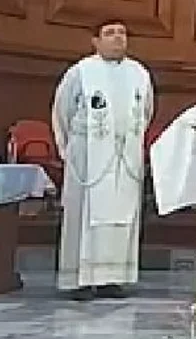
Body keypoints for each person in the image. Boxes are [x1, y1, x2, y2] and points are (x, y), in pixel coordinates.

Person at [51, 19, 155, 300]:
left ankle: (113, 277)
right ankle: (81, 280)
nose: (118, 38)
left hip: (125, 156)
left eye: (123, 32)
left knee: (123, 215)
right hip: (89, 155)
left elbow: (146, 111)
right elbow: (63, 110)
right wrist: (70, 148)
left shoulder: (139, 73)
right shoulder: (81, 72)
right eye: (110, 33)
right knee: (85, 214)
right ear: (95, 41)